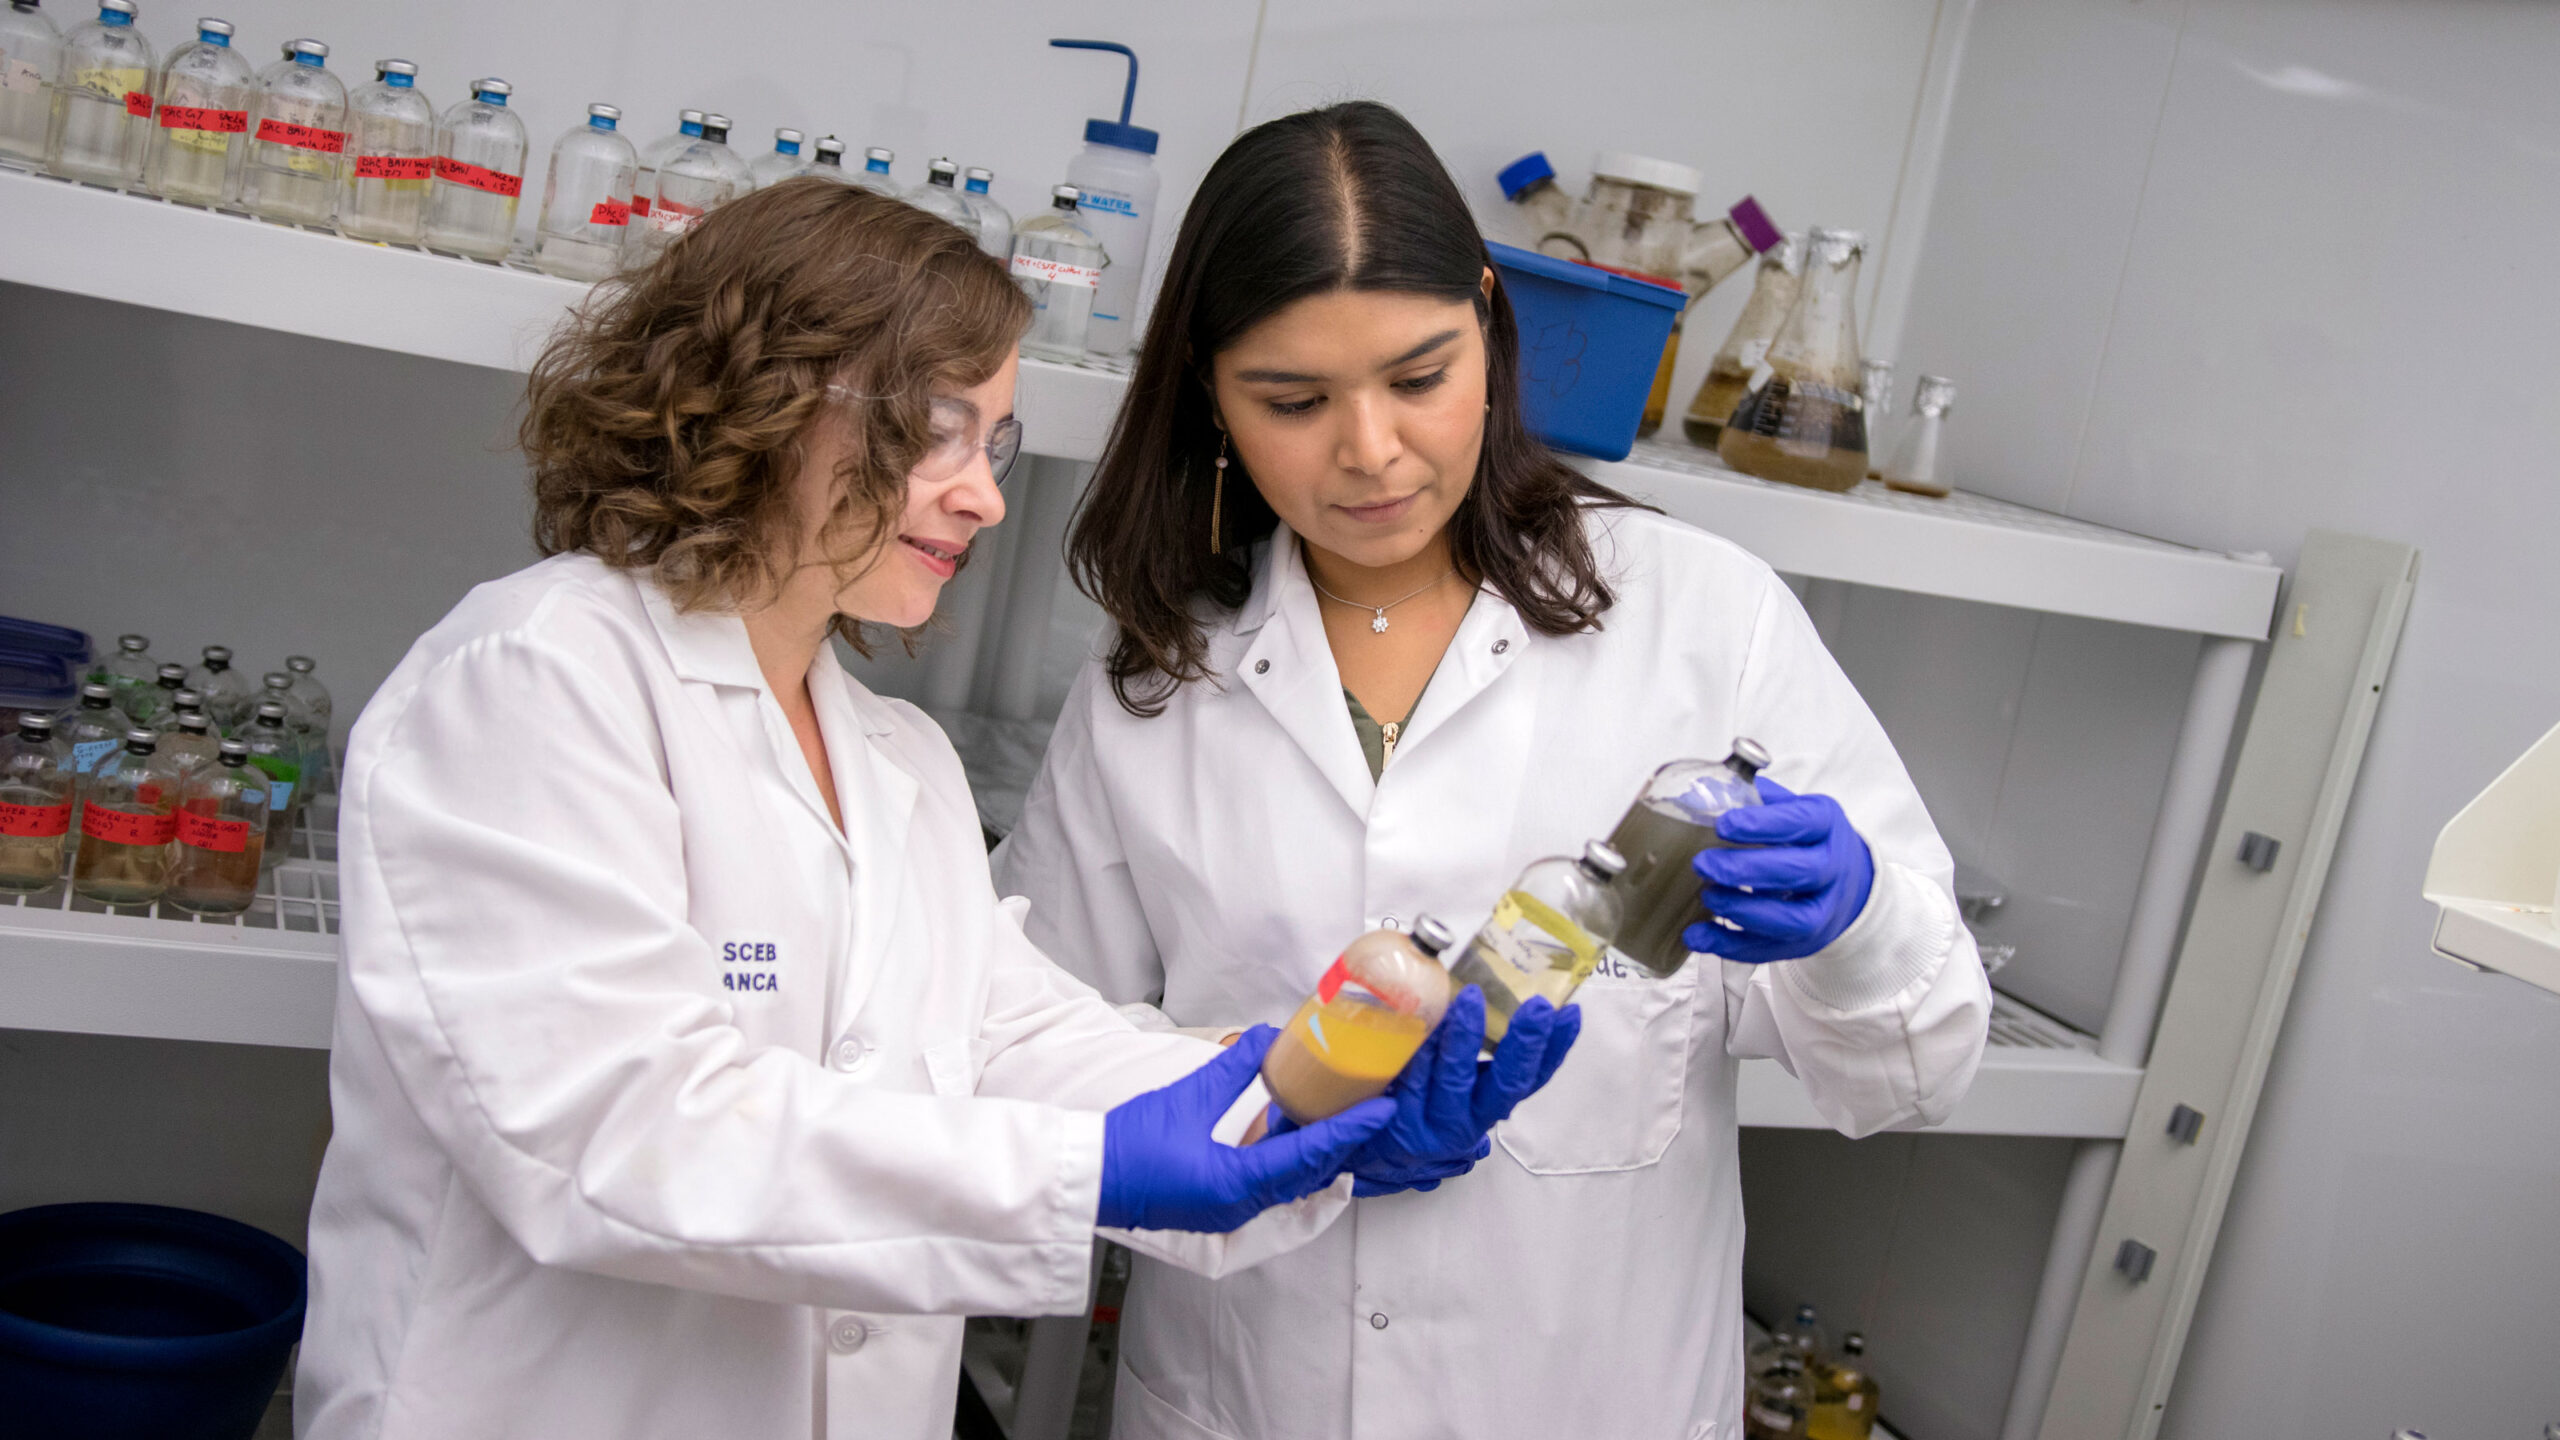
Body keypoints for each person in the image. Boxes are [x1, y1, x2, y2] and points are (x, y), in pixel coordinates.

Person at [292, 180, 1509, 1440]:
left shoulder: (897, 761)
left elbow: (1000, 1038)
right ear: (759, 396)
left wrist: (1285, 1097)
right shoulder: (536, 680)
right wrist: (1093, 1169)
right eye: (939, 429)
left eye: (997, 444)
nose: (983, 498)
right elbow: (617, 1132)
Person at [994, 102, 1993, 1440]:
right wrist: (1268, 1126)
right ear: (1212, 395)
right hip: (1250, 1399)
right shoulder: (1161, 678)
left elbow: (1914, 1080)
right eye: (1293, 399)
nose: (1372, 451)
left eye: (1419, 377)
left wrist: (1861, 921)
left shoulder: (1704, 619)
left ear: (1489, 327)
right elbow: (1026, 1052)